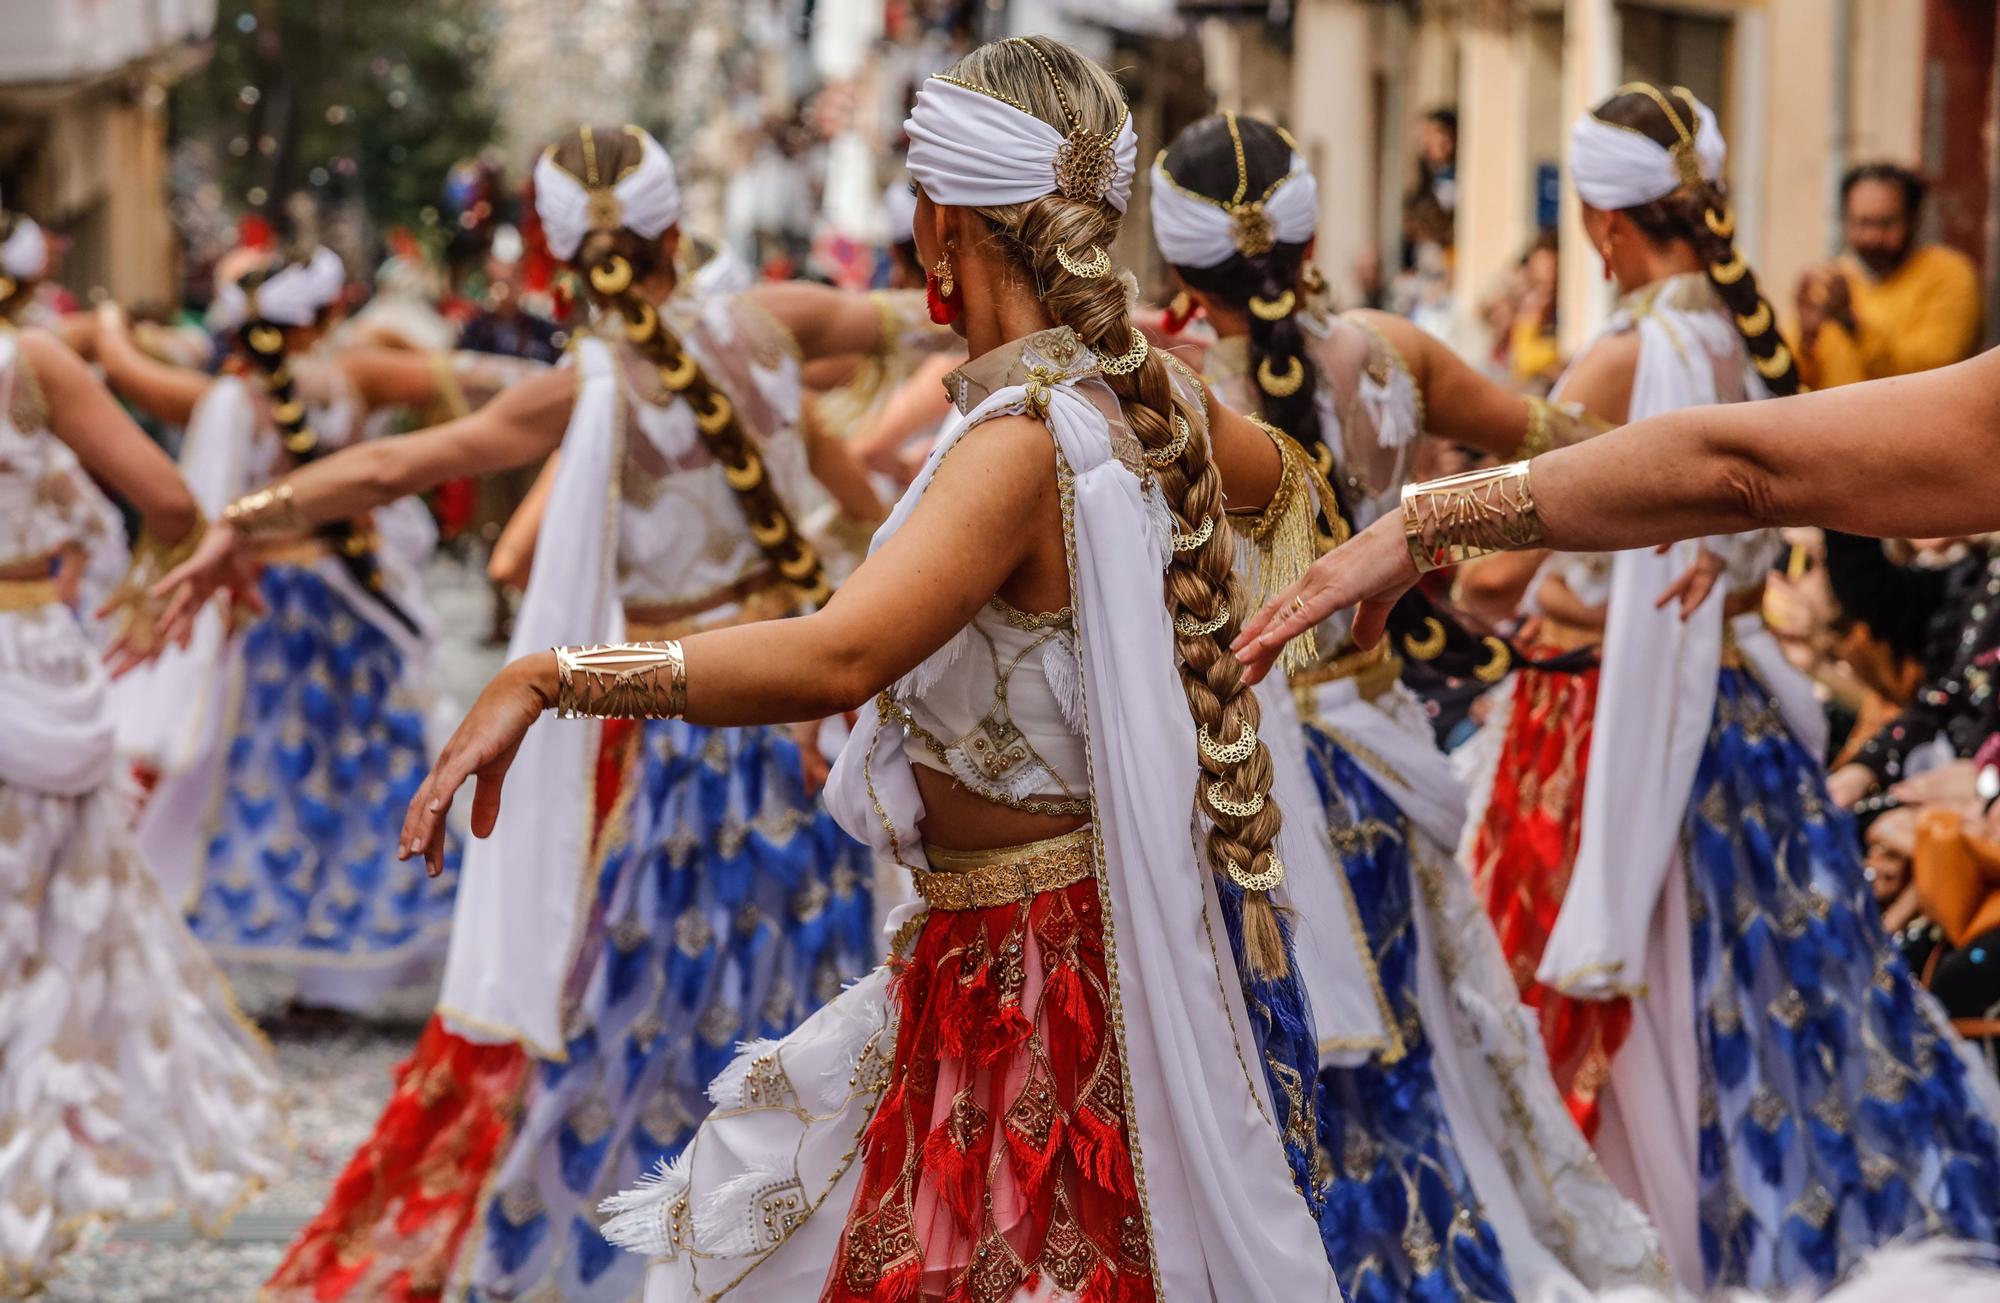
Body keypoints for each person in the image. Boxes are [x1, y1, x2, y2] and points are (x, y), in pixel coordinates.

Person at [406, 37, 1401, 1303]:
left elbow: (838, 653)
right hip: (1031, 941)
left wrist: (555, 674)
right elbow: (1310, 501)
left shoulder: (1020, 440)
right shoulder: (1149, 392)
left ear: (940, 224)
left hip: (1032, 969)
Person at [1242, 84, 2000, 1296]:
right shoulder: (1749, 341)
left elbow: (1724, 477)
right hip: (1739, 722)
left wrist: (1434, 537)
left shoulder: (1629, 347)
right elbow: (1740, 476)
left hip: (1605, 718)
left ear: (1600, 224)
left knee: (1617, 1027)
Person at [150, 125, 906, 1302]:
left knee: (655, 1008)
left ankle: (655, 1252)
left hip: (681, 727)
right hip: (807, 712)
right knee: (824, 986)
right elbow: (923, 317)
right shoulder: (775, 321)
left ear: (555, 262)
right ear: (671, 235)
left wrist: (237, 517)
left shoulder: (589, 385)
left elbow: (401, 468)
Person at [1148, 111, 1661, 1300]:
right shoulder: (1390, 353)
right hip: (1381, 753)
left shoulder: (1158, 390)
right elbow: (1566, 446)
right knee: (1407, 1036)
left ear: (1177, 266)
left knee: (1261, 1060)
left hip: (1233, 780)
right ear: (1311, 232)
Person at [91, 249, 479, 1013]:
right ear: (329, 317)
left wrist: (106, 326)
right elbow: (455, 388)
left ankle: (276, 938)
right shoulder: (354, 379)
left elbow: (146, 401)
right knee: (371, 772)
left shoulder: (233, 399)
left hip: (271, 613)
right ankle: (351, 963)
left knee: (269, 777)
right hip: (352, 610)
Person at [0, 287, 285, 1289]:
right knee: (34, 935)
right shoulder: (30, 362)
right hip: (27, 658)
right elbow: (169, 503)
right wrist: (141, 611)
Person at [1797, 163, 1982, 390]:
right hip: (1828, 425)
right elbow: (1790, 387)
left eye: (1885, 224)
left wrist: (1850, 323)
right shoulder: (1834, 282)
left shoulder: (1948, 274)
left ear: (1914, 220)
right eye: (1862, 223)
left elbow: (1935, 373)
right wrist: (1806, 339)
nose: (1873, 237)